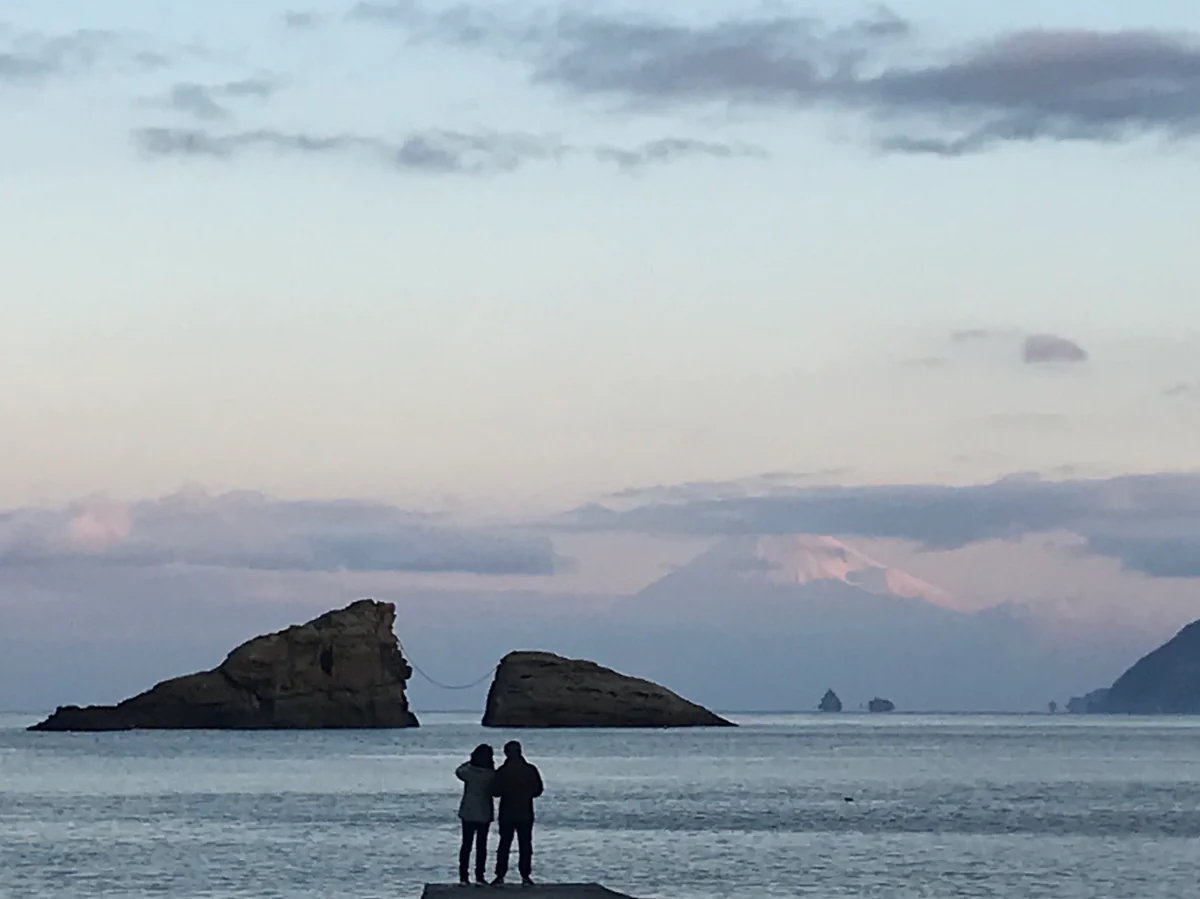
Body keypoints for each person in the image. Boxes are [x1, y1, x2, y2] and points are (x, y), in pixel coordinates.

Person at [490, 740, 544, 887]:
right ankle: (525, 876)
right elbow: (538, 790)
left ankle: (500, 876)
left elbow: (495, 792)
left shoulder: (502, 771)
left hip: (507, 812)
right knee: (525, 844)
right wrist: (525, 794)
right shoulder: (530, 769)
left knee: (504, 844)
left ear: (506, 753)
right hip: (525, 811)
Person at [455, 744, 496, 886]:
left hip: (468, 811)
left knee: (466, 844)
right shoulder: (491, 775)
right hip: (484, 811)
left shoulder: (468, 772)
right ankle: (480, 876)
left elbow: (458, 771)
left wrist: (470, 762)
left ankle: (463, 876)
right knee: (481, 845)